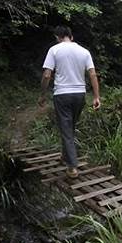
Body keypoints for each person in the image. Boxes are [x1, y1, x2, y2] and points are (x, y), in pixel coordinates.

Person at [38, 26, 100, 178]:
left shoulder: (54, 50)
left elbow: (47, 75)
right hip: (80, 95)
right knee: (70, 127)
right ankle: (65, 156)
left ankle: (72, 166)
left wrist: (42, 95)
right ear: (71, 37)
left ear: (58, 37)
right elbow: (92, 74)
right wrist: (96, 96)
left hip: (62, 95)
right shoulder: (84, 51)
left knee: (66, 129)